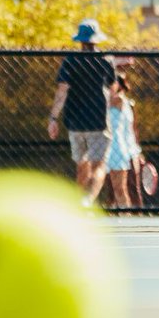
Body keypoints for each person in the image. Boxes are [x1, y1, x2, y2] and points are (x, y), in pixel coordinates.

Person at [47, 18, 116, 208]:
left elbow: (62, 90)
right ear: (96, 40)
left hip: (75, 122)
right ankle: (87, 201)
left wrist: (53, 118)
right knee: (99, 166)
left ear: (80, 40)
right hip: (98, 121)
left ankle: (78, 204)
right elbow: (113, 89)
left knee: (82, 166)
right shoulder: (106, 60)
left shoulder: (71, 61)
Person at [104, 70, 142, 210]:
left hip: (120, 151)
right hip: (105, 149)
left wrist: (137, 152)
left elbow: (133, 130)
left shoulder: (120, 101)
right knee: (111, 192)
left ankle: (132, 217)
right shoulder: (106, 99)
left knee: (124, 188)